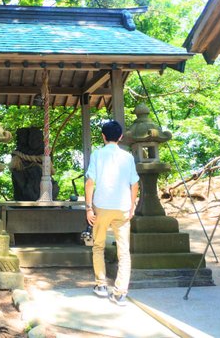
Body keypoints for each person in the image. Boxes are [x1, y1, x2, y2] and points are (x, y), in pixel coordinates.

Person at [84, 120, 139, 306]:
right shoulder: (128, 157)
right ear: (121, 137)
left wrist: (89, 207)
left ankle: (101, 285)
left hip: (101, 206)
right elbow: (135, 183)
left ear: (103, 136)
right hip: (123, 208)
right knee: (124, 252)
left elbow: (90, 181)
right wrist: (132, 206)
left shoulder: (98, 154)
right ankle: (120, 292)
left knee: (98, 245)